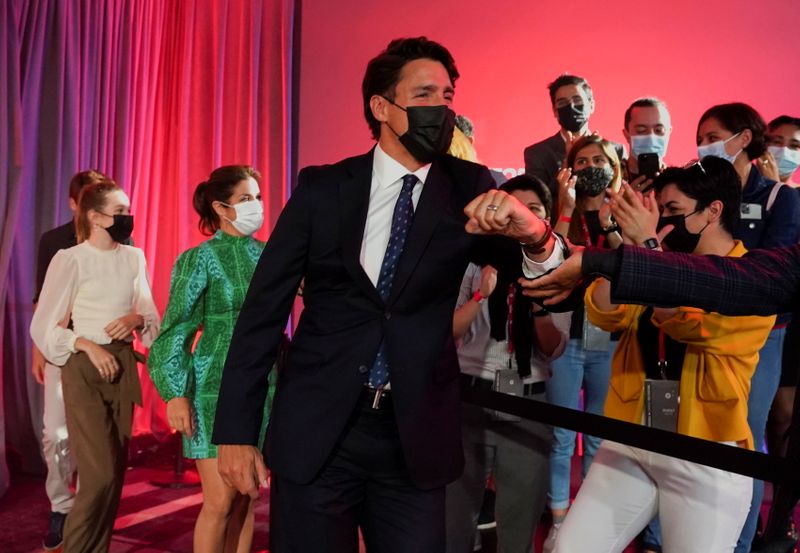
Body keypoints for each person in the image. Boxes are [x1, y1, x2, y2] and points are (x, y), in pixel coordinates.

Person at [210, 36, 554, 553]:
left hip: (411, 438)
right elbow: (263, 311)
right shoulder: (323, 188)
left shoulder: (470, 186)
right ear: (382, 107)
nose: (440, 107)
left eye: (447, 94)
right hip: (319, 431)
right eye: (424, 95)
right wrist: (236, 430)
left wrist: (535, 235)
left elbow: (534, 277)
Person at [553, 158, 776, 552]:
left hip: (706, 453)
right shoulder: (660, 257)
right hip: (632, 438)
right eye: (661, 212)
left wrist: (648, 249)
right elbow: (605, 310)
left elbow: (688, 323)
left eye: (673, 211)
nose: (664, 224)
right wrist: (620, 241)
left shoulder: (752, 277)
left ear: (713, 211)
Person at [29, 180, 160, 552]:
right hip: (84, 368)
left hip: (122, 365)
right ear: (94, 216)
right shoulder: (71, 259)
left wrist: (136, 319)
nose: (126, 218)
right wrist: (84, 343)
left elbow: (150, 315)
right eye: (119, 212)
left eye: (127, 210)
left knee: (115, 474)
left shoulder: (133, 257)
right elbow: (43, 325)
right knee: (99, 475)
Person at [148, 166, 272, 553]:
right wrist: (175, 393)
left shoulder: (271, 255)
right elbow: (175, 330)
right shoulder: (197, 259)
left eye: (258, 196)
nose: (257, 205)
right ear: (220, 207)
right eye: (246, 198)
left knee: (247, 497)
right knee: (219, 502)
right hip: (212, 387)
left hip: (265, 384)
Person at [446, 175, 570, 553]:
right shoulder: (471, 263)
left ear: (545, 217)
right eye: (512, 208)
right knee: (454, 525)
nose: (522, 216)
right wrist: (484, 293)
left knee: (518, 528)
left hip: (527, 403)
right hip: (470, 397)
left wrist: (539, 309)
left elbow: (553, 348)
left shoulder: (558, 270)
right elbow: (451, 331)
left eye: (533, 209)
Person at [696, 102, 800, 553]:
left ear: (741, 139)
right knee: (706, 442)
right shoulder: (704, 191)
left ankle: (741, 542)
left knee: (746, 439)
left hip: (762, 338)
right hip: (705, 332)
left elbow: (776, 270)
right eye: (699, 137)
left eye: (712, 135)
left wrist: (725, 272)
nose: (704, 146)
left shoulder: (780, 197)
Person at [543, 133, 621, 551]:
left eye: (599, 160)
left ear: (612, 166)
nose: (591, 167)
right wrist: (564, 207)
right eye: (583, 161)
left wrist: (610, 223)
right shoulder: (564, 216)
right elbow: (546, 262)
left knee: (597, 438)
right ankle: (558, 517)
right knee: (559, 434)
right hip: (567, 338)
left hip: (610, 340)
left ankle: (589, 523)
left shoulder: (623, 215)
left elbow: (633, 266)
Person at [30, 169, 109, 550]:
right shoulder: (53, 242)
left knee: (96, 437)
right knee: (54, 434)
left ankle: (93, 507)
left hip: (103, 349)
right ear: (73, 204)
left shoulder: (117, 238)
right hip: (62, 349)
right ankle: (61, 506)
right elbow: (41, 302)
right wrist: (39, 348)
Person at [523, 74, 624, 221]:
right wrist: (568, 163)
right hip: (563, 228)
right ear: (555, 111)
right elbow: (539, 202)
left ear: (591, 105)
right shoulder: (537, 153)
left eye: (577, 100)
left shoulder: (615, 150)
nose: (570, 107)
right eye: (562, 103)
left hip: (610, 227)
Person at [622, 97, 672, 185]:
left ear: (669, 132)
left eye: (658, 130)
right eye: (641, 130)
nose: (651, 137)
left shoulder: (677, 182)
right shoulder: (610, 178)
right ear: (626, 134)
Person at [761, 115, 800, 187]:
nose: (784, 151)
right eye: (777, 142)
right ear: (764, 145)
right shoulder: (740, 187)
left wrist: (774, 185)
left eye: (794, 145)